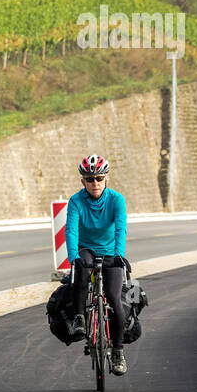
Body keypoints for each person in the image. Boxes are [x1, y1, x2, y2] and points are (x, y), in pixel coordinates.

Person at [65, 154, 129, 376]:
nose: (95, 183)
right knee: (82, 270)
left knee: (113, 297)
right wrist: (74, 255)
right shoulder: (75, 201)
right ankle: (80, 318)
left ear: (106, 178)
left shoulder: (116, 200)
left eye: (99, 178)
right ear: (83, 181)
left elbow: (121, 228)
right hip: (86, 249)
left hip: (111, 252)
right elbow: (71, 230)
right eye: (90, 179)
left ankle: (118, 351)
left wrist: (119, 254)